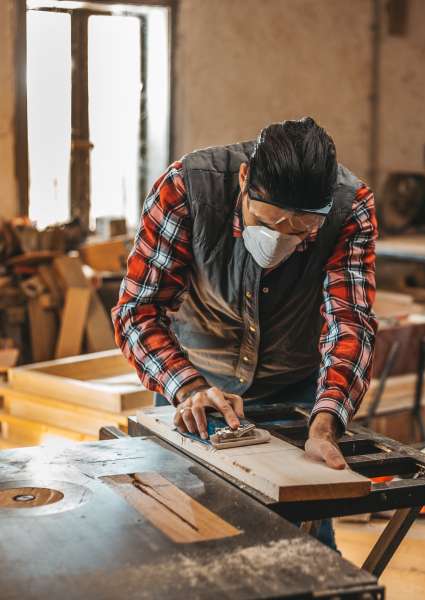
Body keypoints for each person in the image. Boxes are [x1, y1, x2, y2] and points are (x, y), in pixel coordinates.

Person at [112, 117, 377, 548]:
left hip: (293, 391)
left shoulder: (351, 208)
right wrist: (188, 387)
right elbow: (139, 310)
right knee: (178, 534)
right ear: (243, 180)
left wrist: (325, 423)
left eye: (299, 230)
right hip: (194, 390)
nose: (277, 239)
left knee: (301, 545)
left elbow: (349, 322)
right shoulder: (187, 188)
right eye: (267, 221)